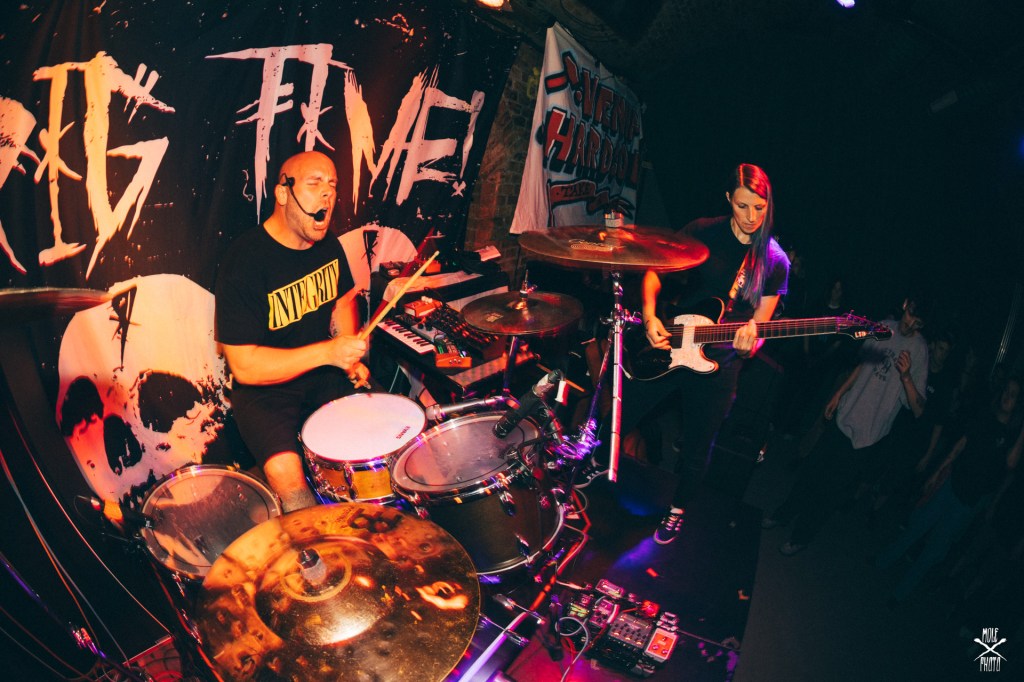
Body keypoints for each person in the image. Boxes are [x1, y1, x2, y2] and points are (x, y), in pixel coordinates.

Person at [630, 163, 790, 544]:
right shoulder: (703, 231)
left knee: (698, 448)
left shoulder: (774, 261)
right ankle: (592, 462)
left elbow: (759, 327)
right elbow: (654, 271)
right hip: (674, 343)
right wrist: (650, 316)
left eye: (759, 208)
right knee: (628, 405)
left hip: (721, 364)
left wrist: (751, 343)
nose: (751, 217)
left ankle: (677, 509)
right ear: (728, 199)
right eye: (742, 206)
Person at [215, 151, 370, 511]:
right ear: (283, 193)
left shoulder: (328, 245)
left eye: (332, 185)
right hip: (265, 392)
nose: (327, 194)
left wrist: (348, 360)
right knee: (293, 489)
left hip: (323, 374)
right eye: (314, 183)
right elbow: (245, 366)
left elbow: (343, 301)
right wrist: (329, 352)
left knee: (379, 437)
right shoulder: (244, 262)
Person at [763, 294, 931, 555]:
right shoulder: (883, 326)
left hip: (868, 436)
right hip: (846, 415)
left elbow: (919, 409)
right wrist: (839, 394)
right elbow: (862, 366)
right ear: (906, 305)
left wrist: (907, 376)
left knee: (831, 491)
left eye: (918, 323)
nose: (910, 325)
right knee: (811, 472)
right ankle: (783, 515)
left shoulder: (920, 351)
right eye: (910, 316)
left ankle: (801, 537)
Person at [874, 376, 1023, 605]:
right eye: (1006, 391)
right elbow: (960, 445)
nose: (1007, 397)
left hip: (969, 501)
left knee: (935, 548)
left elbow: (1011, 463)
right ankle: (883, 561)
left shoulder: (1012, 435)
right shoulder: (985, 417)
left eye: (1013, 395)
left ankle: (900, 593)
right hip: (951, 484)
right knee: (918, 524)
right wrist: (936, 474)